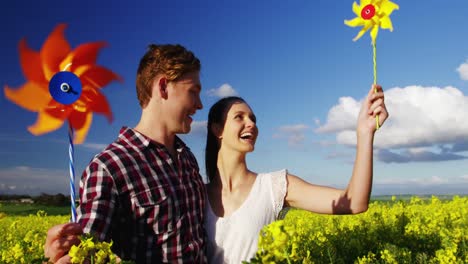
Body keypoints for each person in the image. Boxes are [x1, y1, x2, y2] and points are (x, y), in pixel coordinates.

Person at [44, 44, 207, 263]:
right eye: (193, 92)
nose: (200, 104)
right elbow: (88, 252)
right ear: (163, 87)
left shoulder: (187, 158)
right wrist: (66, 254)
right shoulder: (108, 167)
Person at [203, 86, 387, 263]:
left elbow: (354, 202)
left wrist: (365, 133)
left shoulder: (274, 186)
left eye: (253, 118)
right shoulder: (195, 195)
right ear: (217, 130)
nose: (251, 123)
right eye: (239, 117)